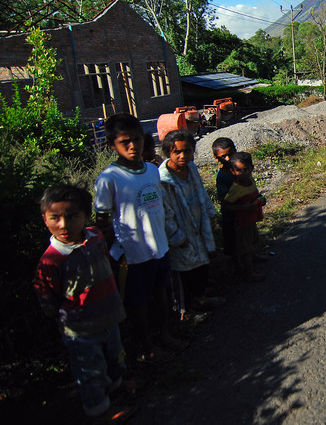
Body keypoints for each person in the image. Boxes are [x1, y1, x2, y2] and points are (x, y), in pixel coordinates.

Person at [34, 184, 136, 422]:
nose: (64, 225)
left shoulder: (95, 237)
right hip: (81, 330)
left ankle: (116, 388)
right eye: (55, 218)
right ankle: (100, 410)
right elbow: (48, 300)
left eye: (72, 217)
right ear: (44, 219)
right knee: (90, 371)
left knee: (114, 356)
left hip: (109, 316)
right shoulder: (51, 261)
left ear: (86, 216)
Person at [94, 113, 185, 362]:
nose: (133, 146)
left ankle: (165, 335)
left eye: (136, 140)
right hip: (133, 256)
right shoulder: (109, 179)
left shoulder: (151, 171)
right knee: (138, 304)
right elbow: (102, 222)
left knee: (161, 295)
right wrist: (110, 252)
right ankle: (146, 347)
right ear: (112, 144)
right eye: (125, 142)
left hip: (160, 248)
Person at [159, 130, 223, 320]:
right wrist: (178, 237)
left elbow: (201, 192)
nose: (182, 156)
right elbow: (165, 214)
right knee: (184, 273)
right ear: (168, 153)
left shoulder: (191, 168)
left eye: (187, 151)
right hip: (181, 233)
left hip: (198, 225)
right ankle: (186, 312)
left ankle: (201, 299)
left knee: (201, 266)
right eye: (176, 152)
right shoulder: (163, 179)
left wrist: (210, 214)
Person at [223, 152, 267, 281]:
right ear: (233, 171)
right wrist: (243, 208)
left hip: (251, 219)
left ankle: (254, 257)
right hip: (242, 223)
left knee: (253, 240)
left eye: (246, 169)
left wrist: (260, 199)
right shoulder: (236, 188)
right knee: (245, 247)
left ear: (252, 168)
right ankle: (249, 273)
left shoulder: (251, 181)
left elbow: (254, 194)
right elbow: (226, 205)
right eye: (239, 170)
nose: (243, 173)